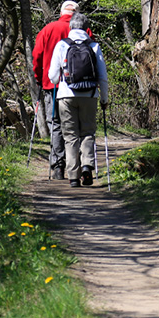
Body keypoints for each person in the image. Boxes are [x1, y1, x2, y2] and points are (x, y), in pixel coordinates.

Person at [48, 12, 109, 188]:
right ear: (86, 28)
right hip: (90, 95)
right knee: (88, 133)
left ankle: (73, 176)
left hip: (66, 96)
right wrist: (104, 98)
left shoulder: (62, 45)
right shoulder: (94, 46)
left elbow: (52, 77)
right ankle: (87, 167)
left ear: (71, 27)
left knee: (70, 136)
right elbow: (102, 76)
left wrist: (60, 78)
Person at [32, 0, 86, 180]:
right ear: (76, 13)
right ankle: (75, 164)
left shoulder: (48, 29)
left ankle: (57, 166)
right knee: (74, 126)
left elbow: (37, 56)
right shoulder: (83, 31)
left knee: (55, 124)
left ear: (61, 12)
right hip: (77, 87)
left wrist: (40, 78)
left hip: (52, 85)